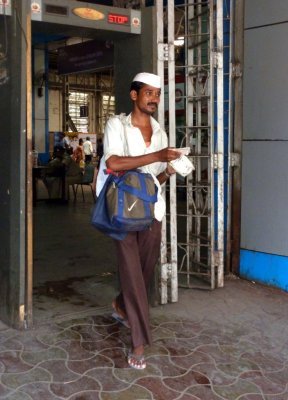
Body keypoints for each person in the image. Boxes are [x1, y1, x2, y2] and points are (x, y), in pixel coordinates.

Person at [96, 72, 181, 370]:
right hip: (121, 212)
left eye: (157, 94)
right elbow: (113, 163)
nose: (154, 98)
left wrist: (169, 171)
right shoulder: (116, 125)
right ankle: (139, 343)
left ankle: (121, 305)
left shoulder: (160, 133)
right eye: (148, 93)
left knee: (144, 272)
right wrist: (156, 155)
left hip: (150, 212)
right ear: (134, 95)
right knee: (131, 273)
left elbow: (152, 181)